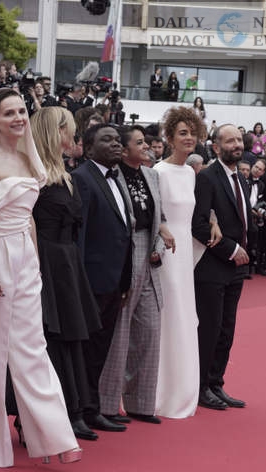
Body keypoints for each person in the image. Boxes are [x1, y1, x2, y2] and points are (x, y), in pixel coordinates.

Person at [0, 88, 80, 467]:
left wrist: (35, 262)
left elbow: (28, 217)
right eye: (8, 113)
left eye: (22, 112)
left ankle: (54, 435)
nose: (18, 118)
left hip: (26, 258)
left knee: (33, 344)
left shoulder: (32, 159)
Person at [31, 106, 101, 441]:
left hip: (68, 263)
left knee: (72, 335)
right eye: (67, 130)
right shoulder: (33, 174)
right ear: (52, 133)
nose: (72, 136)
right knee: (51, 338)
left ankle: (74, 408)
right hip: (44, 261)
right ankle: (49, 413)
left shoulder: (67, 173)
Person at [100, 124, 174, 424]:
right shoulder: (112, 176)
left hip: (151, 255)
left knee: (150, 329)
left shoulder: (152, 175)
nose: (148, 147)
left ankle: (141, 403)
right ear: (125, 148)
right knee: (119, 332)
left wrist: (159, 244)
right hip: (124, 254)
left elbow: (161, 218)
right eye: (141, 142)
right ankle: (106, 404)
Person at [72, 123, 133, 433]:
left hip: (114, 280)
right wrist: (80, 284)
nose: (116, 144)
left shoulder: (116, 178)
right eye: (107, 140)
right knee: (85, 350)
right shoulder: (82, 179)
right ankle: (78, 412)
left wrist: (124, 280)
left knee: (100, 350)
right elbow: (79, 236)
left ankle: (93, 408)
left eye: (118, 140)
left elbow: (123, 231)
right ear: (87, 146)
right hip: (91, 282)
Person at [192, 124, 252, 411]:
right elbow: (199, 226)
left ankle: (216, 383)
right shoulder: (206, 178)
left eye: (239, 140)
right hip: (212, 267)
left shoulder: (243, 178)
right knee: (210, 329)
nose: (237, 145)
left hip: (236, 269)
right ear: (216, 147)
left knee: (227, 329)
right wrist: (231, 249)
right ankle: (201, 386)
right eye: (230, 141)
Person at [153, 107, 208, 418]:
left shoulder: (190, 173)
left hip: (186, 250)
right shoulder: (159, 172)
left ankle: (185, 388)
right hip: (167, 252)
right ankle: (160, 392)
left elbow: (193, 213)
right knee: (169, 316)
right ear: (170, 137)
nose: (189, 138)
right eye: (182, 133)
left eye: (192, 133)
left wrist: (212, 219)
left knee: (187, 315)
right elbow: (155, 215)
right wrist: (162, 233)